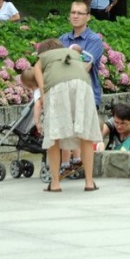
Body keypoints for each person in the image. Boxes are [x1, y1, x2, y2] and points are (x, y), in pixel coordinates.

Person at [32, 38, 102, 192]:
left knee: (54, 134)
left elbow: (39, 77)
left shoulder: (42, 58)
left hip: (57, 88)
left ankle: (55, 183)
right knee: (85, 134)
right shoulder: (73, 53)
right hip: (83, 85)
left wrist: (44, 97)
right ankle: (89, 182)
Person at [59, 1, 104, 109]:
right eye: (73, 12)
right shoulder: (62, 39)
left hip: (86, 97)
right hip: (65, 97)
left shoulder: (94, 40)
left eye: (80, 13)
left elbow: (83, 68)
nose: (75, 16)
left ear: (88, 17)